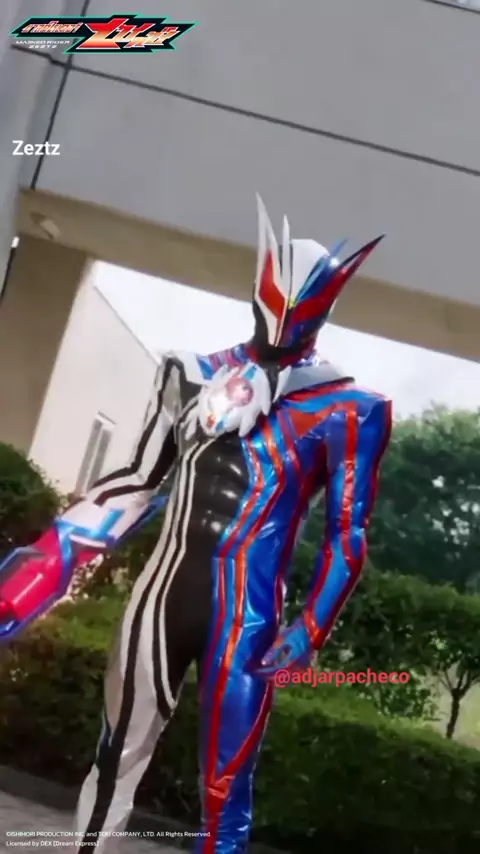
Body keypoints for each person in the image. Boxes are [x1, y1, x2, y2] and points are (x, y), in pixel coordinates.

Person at [0, 195, 392, 853]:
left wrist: (311, 627)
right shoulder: (190, 373)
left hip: (249, 618)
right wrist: (27, 581)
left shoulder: (350, 409)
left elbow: (348, 534)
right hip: (162, 598)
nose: (283, 322)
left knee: (226, 789)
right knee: (116, 759)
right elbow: (134, 485)